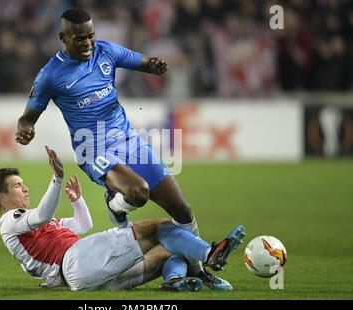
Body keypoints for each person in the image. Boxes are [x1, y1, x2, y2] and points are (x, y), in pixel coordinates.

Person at [14, 7, 241, 288]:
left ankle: (196, 270)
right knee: (139, 192)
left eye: (91, 37)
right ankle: (116, 204)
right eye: (80, 38)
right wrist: (25, 127)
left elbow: (141, 61)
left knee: (182, 210)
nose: (87, 43)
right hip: (92, 149)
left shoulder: (105, 52)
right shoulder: (50, 75)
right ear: (63, 37)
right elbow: (28, 116)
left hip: (129, 142)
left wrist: (154, 65)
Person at [0, 146, 245, 291]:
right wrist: (58, 178)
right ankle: (210, 253)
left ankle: (174, 281)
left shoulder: (29, 225)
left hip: (86, 275)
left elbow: (83, 226)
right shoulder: (10, 221)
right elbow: (42, 215)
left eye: (23, 183)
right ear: (0, 196)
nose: (25, 188)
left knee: (168, 251)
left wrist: (77, 201)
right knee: (159, 227)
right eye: (17, 185)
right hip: (78, 260)